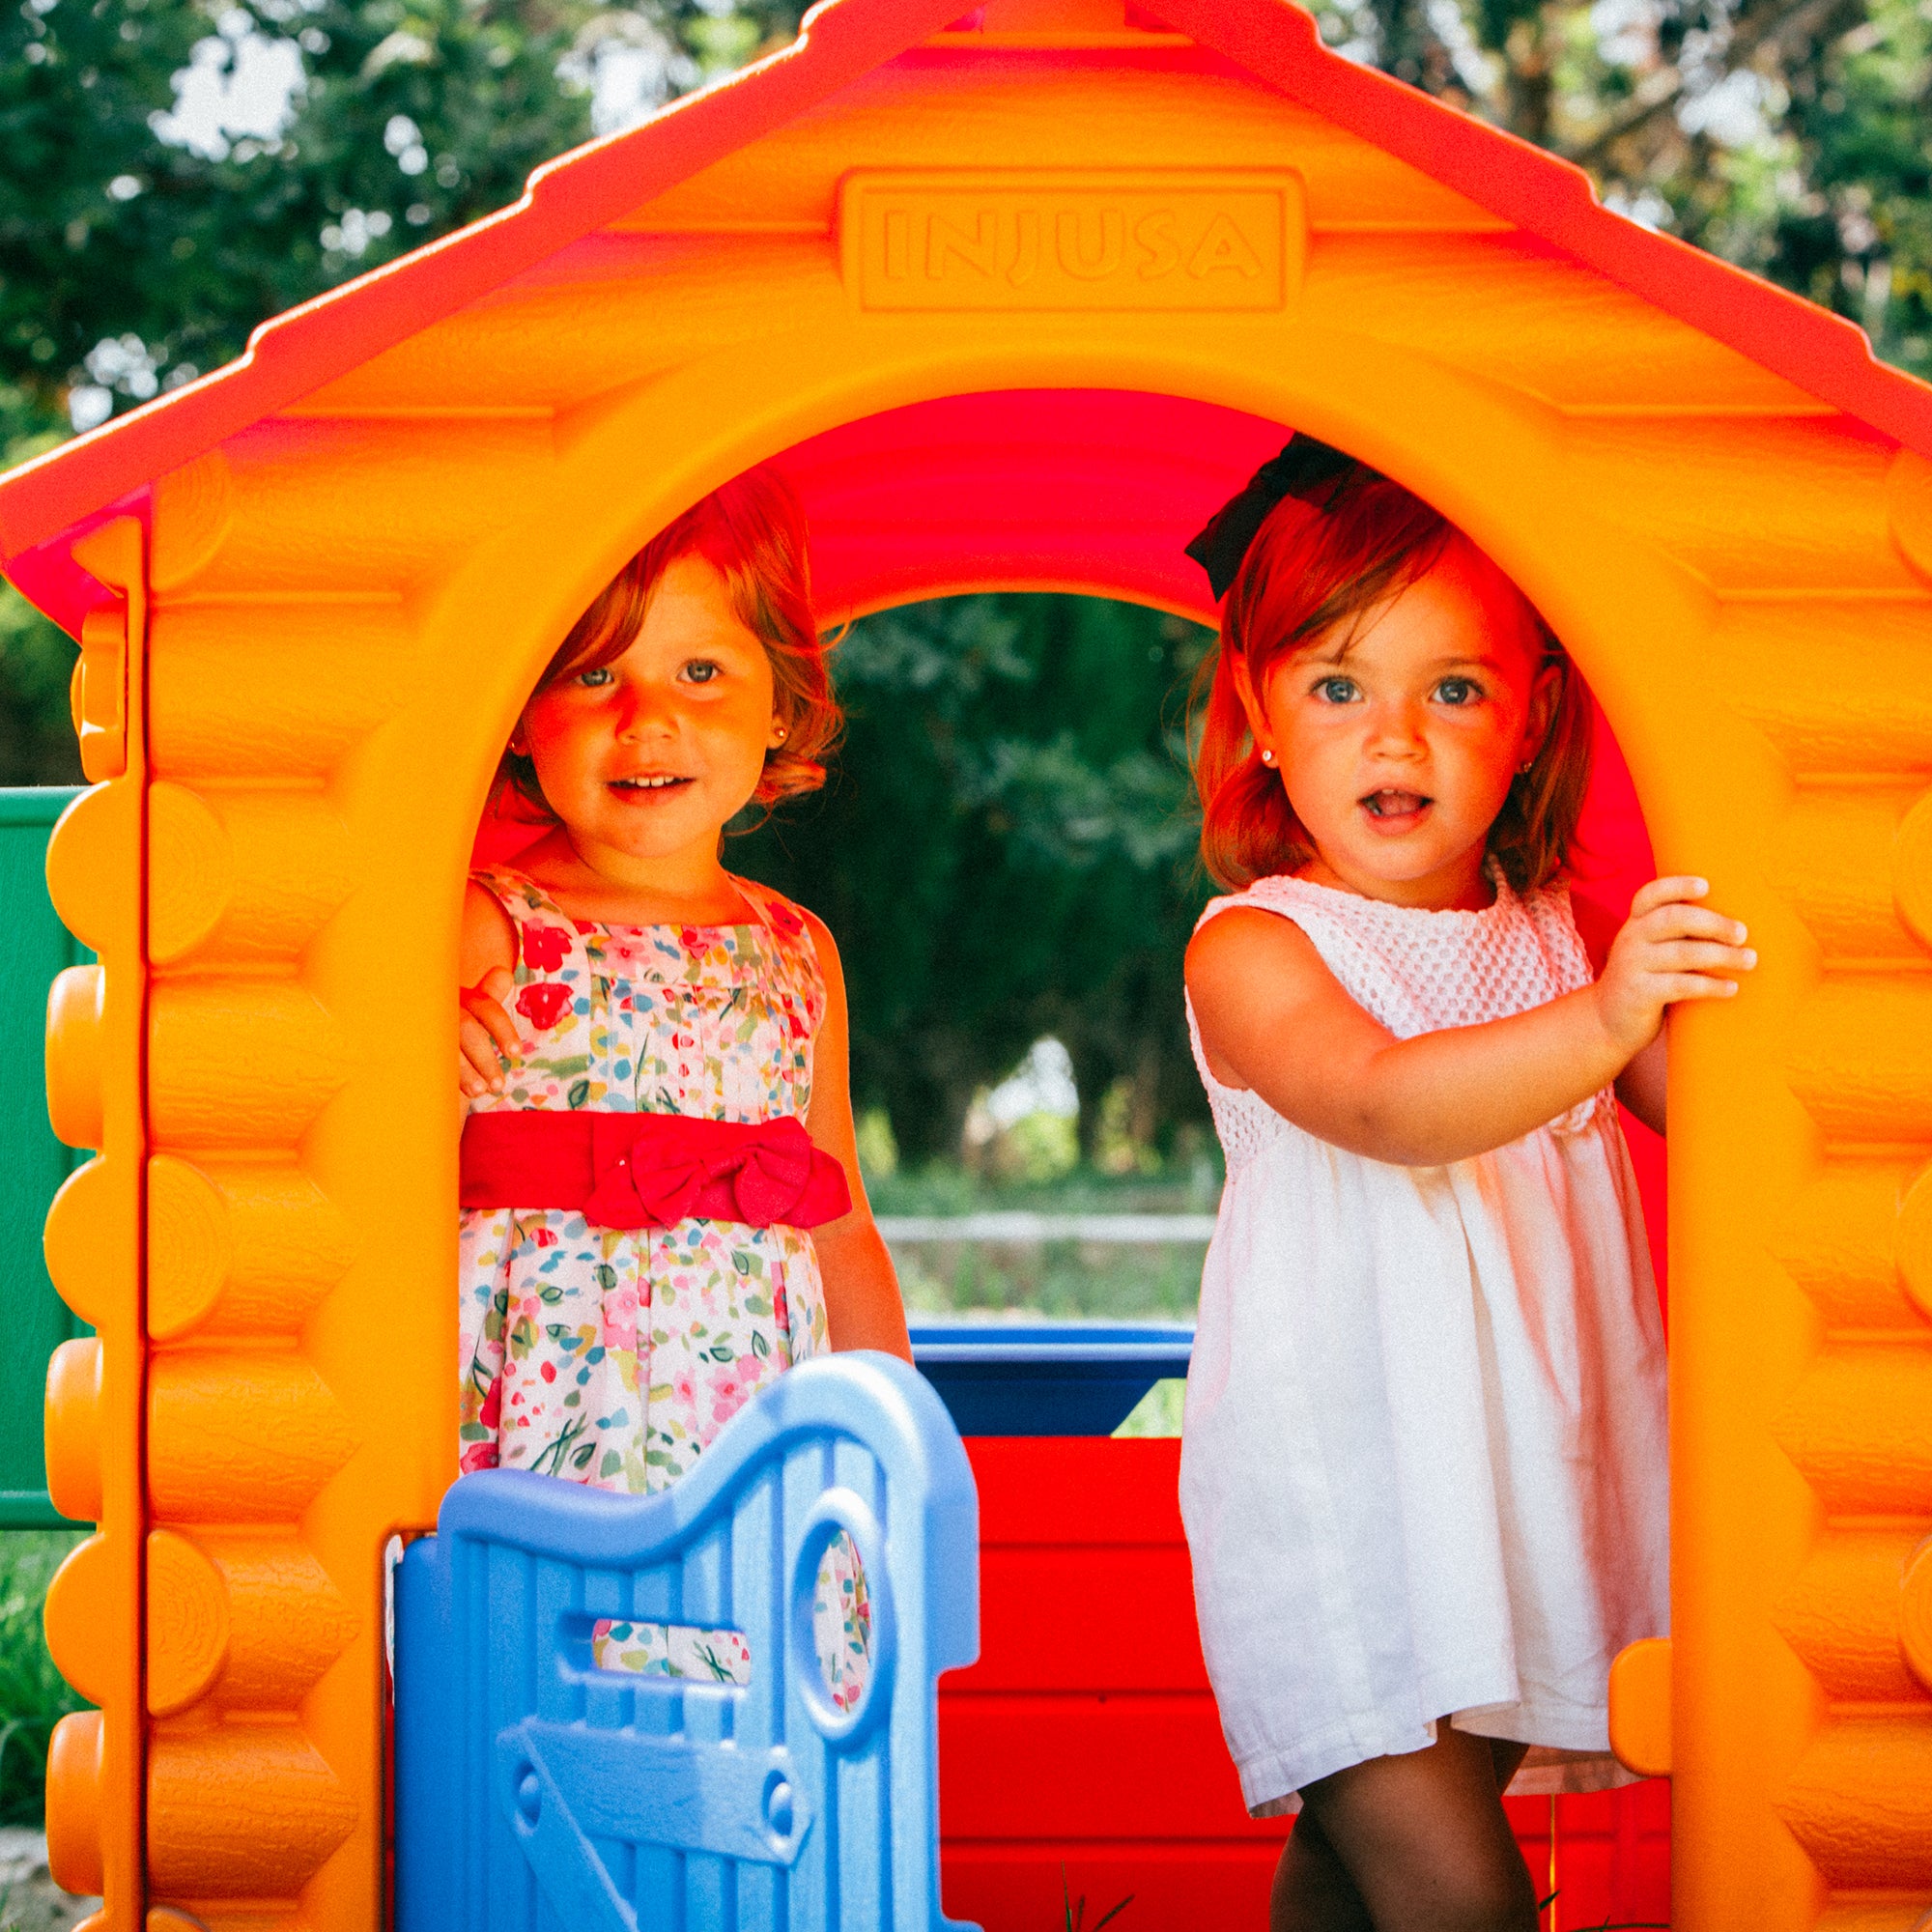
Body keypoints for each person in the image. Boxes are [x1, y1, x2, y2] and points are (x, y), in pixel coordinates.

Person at [1179, 440, 1752, 1930]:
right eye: (1339, 686)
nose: (1397, 739)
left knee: (1357, 1884)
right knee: (1462, 1901)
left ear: (1532, 713)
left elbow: (1723, 1119)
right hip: (1356, 1514)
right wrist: (1612, 1014)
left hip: (1515, 1506)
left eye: (1454, 689)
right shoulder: (1260, 949)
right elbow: (1387, 1103)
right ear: (1256, 709)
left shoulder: (1568, 930)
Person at [454, 466, 908, 1705]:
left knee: (752, 1702)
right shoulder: (486, 925)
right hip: (551, 1408)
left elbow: (840, 1220)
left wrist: (888, 1435)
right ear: (518, 711)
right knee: (543, 1709)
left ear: (780, 704)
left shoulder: (796, 946)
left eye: (700, 673)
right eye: (595, 673)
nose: (647, 719)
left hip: (749, 1414)